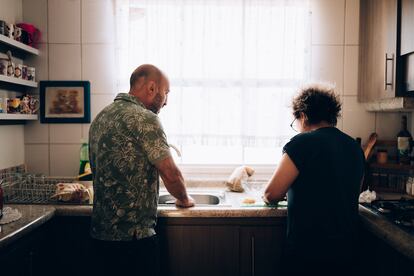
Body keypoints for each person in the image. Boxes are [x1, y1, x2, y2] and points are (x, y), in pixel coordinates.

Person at [89, 64, 194, 276]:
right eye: (166, 93)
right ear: (152, 88)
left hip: (100, 238)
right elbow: (170, 174)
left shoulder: (101, 117)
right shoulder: (145, 118)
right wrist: (184, 198)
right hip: (134, 240)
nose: (167, 101)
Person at [263, 84, 365, 276]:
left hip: (309, 253)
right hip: (346, 253)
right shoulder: (355, 147)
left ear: (303, 115)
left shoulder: (301, 143)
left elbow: (272, 193)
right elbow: (352, 191)